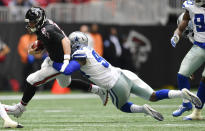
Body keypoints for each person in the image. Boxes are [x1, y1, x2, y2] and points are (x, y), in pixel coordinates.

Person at [52, 31, 201, 121]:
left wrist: (57, 64)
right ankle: (181, 93)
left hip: (115, 84)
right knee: (154, 95)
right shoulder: (90, 49)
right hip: (124, 73)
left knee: (122, 106)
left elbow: (69, 70)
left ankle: (143, 109)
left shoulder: (79, 54)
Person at [3, 7, 108, 118]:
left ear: (39, 20)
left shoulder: (47, 29)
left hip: (60, 62)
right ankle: (98, 90)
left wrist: (66, 60)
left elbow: (65, 40)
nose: (31, 24)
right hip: (53, 58)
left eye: (32, 22)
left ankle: (20, 108)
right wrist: (38, 47)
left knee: (32, 80)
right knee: (65, 83)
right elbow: (48, 41)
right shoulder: (43, 27)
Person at [170, 0, 205, 120]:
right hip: (199, 46)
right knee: (182, 74)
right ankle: (186, 103)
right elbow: (183, 23)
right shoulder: (191, 6)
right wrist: (176, 35)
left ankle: (196, 113)